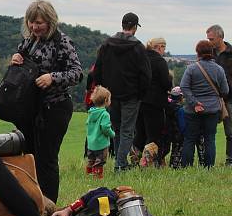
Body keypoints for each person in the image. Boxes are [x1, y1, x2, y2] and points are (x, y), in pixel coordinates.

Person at [10, 0, 82, 202]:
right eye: (31, 22)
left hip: (55, 107)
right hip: (30, 107)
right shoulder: (29, 41)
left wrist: (53, 77)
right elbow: (21, 70)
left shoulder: (62, 42)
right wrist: (16, 59)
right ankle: (31, 200)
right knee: (29, 156)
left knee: (46, 160)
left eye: (39, 23)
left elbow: (77, 73)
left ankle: (49, 207)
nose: (34, 27)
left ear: (50, 21)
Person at [93, 12, 151, 171]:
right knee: (127, 131)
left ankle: (120, 162)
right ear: (135, 28)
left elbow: (97, 70)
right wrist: (141, 94)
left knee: (117, 130)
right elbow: (146, 75)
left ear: (122, 24)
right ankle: (120, 164)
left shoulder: (107, 45)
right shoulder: (138, 47)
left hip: (111, 95)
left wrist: (102, 89)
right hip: (131, 95)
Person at [179, 40, 229, 168]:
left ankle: (186, 167)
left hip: (193, 110)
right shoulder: (219, 69)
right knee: (210, 139)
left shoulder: (191, 68)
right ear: (211, 52)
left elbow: (184, 87)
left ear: (198, 53)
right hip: (212, 109)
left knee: (189, 139)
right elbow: (225, 90)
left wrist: (194, 102)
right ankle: (208, 167)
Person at [132, 38, 172, 166]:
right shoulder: (159, 61)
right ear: (159, 47)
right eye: (163, 48)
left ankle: (135, 158)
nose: (164, 51)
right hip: (155, 102)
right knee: (153, 134)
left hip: (139, 101)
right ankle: (147, 163)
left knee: (140, 132)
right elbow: (166, 83)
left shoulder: (140, 59)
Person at [206, 25, 232, 166]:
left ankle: (230, 159)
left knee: (230, 131)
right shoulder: (208, 54)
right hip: (211, 98)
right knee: (209, 132)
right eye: (208, 39)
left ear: (220, 37)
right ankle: (208, 160)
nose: (209, 42)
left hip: (229, 98)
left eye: (211, 39)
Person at [86, 86, 114, 178]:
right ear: (106, 100)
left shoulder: (91, 113)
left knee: (91, 160)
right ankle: (97, 177)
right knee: (99, 161)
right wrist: (112, 134)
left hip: (91, 143)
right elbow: (105, 127)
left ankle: (89, 175)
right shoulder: (105, 114)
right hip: (101, 144)